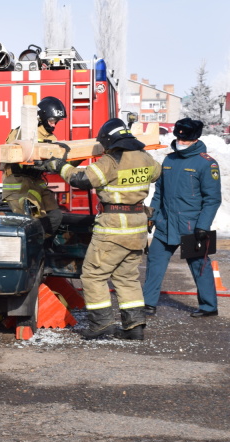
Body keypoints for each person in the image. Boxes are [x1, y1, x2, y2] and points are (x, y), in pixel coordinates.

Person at [44, 118, 161, 340]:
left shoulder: (111, 160)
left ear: (109, 142)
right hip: (137, 228)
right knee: (127, 277)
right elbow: (156, 173)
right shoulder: (146, 158)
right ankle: (134, 327)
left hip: (114, 229)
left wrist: (59, 166)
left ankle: (101, 324)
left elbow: (81, 179)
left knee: (93, 274)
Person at [143, 118, 222, 317]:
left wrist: (203, 226)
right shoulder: (169, 160)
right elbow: (159, 192)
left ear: (195, 139)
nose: (181, 142)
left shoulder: (207, 164)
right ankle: (148, 303)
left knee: (199, 265)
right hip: (165, 224)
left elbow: (212, 199)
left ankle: (208, 306)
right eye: (179, 138)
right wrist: (152, 215)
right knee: (154, 261)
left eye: (185, 140)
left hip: (192, 226)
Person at [1, 96, 67, 237]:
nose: (54, 125)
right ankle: (34, 251)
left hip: (36, 183)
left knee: (55, 216)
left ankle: (43, 246)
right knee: (33, 223)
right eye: (51, 121)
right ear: (42, 117)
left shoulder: (52, 138)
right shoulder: (20, 132)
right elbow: (14, 155)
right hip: (19, 185)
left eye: (56, 122)